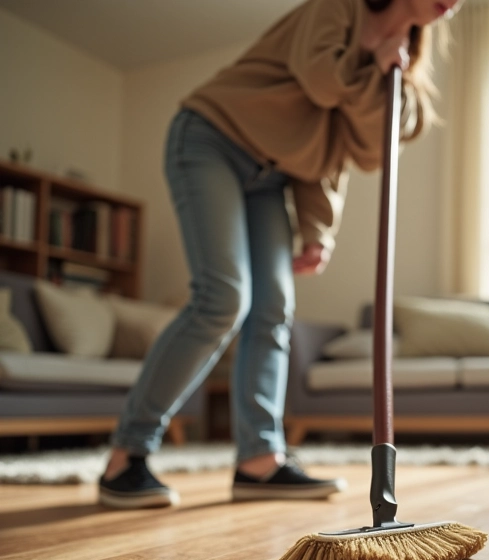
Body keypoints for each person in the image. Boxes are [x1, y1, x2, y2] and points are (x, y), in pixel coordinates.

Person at [98, 0, 463, 509]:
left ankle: (259, 460)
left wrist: (318, 230)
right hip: (211, 138)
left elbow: (348, 151)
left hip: (272, 178)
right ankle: (126, 455)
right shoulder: (341, 7)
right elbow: (319, 80)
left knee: (274, 310)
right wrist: (372, 63)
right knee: (223, 297)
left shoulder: (401, 63)